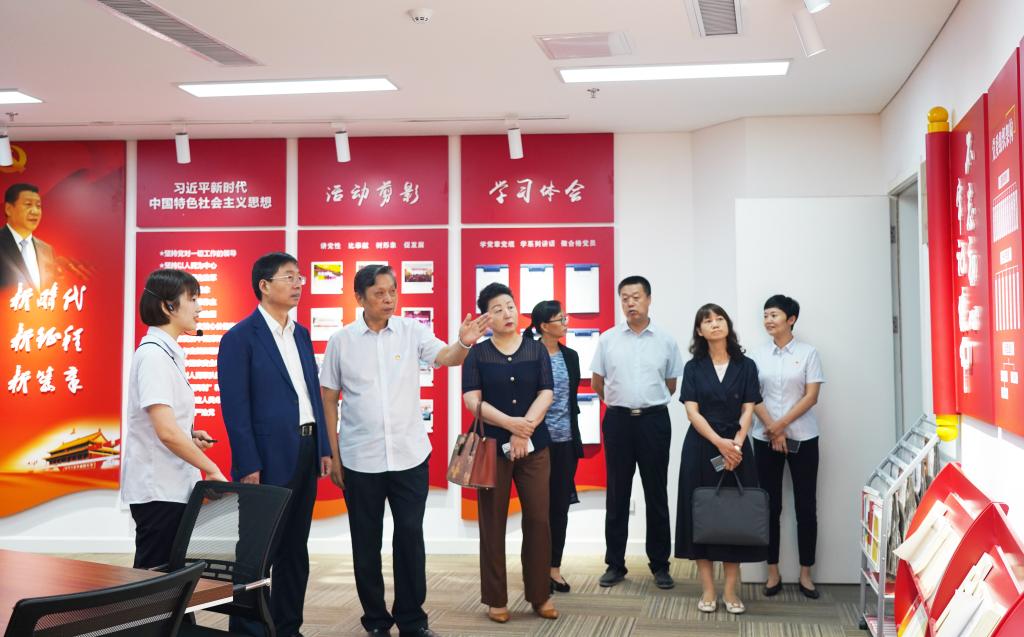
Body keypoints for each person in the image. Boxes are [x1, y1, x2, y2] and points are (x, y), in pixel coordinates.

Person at [319, 264, 491, 637]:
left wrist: (463, 343)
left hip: (409, 456)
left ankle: (412, 619)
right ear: (360, 298)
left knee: (410, 536)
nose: (388, 299)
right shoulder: (342, 341)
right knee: (365, 542)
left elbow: (447, 357)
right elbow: (329, 399)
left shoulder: (412, 331)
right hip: (360, 458)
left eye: (393, 291)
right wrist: (333, 454)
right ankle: (376, 621)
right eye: (379, 293)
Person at [218, 252, 333, 637]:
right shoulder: (239, 338)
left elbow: (311, 394)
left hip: (305, 450)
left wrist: (323, 448)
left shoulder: (300, 334)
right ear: (264, 286)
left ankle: (288, 628)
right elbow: (236, 408)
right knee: (255, 553)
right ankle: (247, 632)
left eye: (300, 277)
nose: (298, 284)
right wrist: (247, 463)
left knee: (295, 549)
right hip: (265, 459)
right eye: (289, 277)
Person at [462, 283, 559, 624]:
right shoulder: (477, 354)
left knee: (538, 520)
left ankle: (539, 594)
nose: (507, 313)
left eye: (510, 306)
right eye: (497, 309)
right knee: (492, 523)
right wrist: (511, 424)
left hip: (534, 447)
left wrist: (524, 429)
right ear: (486, 318)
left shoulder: (536, 349)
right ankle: (496, 598)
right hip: (491, 448)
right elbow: (472, 400)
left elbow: (547, 392)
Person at [121, 268, 226, 569]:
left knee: (170, 579)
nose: (199, 307)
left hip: (171, 487)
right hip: (159, 490)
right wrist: (211, 468)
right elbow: (166, 432)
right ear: (168, 306)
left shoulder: (166, 354)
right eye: (192, 299)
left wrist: (189, 436)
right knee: (156, 581)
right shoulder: (153, 356)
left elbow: (167, 425)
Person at [591, 275, 684, 590]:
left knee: (656, 493)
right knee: (617, 494)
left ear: (649, 299)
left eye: (636, 297)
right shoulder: (608, 339)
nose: (630, 303)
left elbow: (671, 385)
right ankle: (615, 564)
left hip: (653, 421)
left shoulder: (666, 340)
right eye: (625, 298)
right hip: (618, 421)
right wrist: (620, 403)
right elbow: (598, 383)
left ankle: (660, 565)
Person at [675, 303, 767, 615]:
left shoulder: (746, 365)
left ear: (728, 324)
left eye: (719, 318)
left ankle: (730, 590)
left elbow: (749, 408)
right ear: (699, 331)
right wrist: (719, 443)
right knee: (701, 514)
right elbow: (692, 412)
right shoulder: (693, 368)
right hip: (701, 447)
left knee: (733, 516)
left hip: (737, 447)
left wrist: (736, 445)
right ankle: (708, 589)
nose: (715, 324)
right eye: (707, 321)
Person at [750, 294, 825, 599]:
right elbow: (752, 395)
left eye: (774, 315)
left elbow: (811, 396)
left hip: (803, 438)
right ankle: (773, 572)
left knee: (805, 507)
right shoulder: (757, 355)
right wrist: (772, 428)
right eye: (766, 315)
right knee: (769, 507)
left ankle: (806, 573)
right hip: (764, 438)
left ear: (791, 319)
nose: (768, 320)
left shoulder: (808, 353)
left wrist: (780, 425)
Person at [523, 300, 583, 594]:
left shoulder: (570, 356)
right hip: (537, 443)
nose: (565, 323)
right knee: (537, 511)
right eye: (560, 319)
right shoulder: (528, 354)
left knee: (559, 508)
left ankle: (554, 569)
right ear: (544, 326)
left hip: (566, 443)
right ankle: (535, 571)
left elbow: (571, 401)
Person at [1, 183, 55, 290]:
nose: (35, 211)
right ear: (8, 209)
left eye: (38, 206)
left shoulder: (47, 250)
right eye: (28, 204)